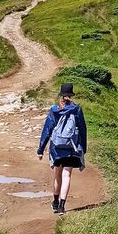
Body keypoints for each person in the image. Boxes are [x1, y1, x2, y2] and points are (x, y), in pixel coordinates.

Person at [37, 82, 87, 215]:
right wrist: (83, 149)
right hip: (71, 147)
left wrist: (40, 149)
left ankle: (55, 202)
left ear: (61, 94)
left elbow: (47, 130)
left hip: (56, 147)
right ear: (71, 95)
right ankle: (62, 206)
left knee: (57, 175)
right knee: (67, 175)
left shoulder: (55, 109)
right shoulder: (77, 110)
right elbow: (82, 130)